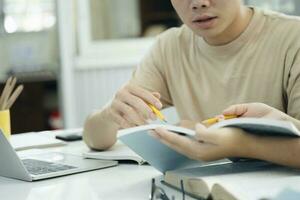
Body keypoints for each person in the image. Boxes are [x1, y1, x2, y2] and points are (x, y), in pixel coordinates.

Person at [83, 0, 300, 168]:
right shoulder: (169, 47)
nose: (198, 2)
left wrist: (240, 145)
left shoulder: (292, 37)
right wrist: (110, 115)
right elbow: (93, 137)